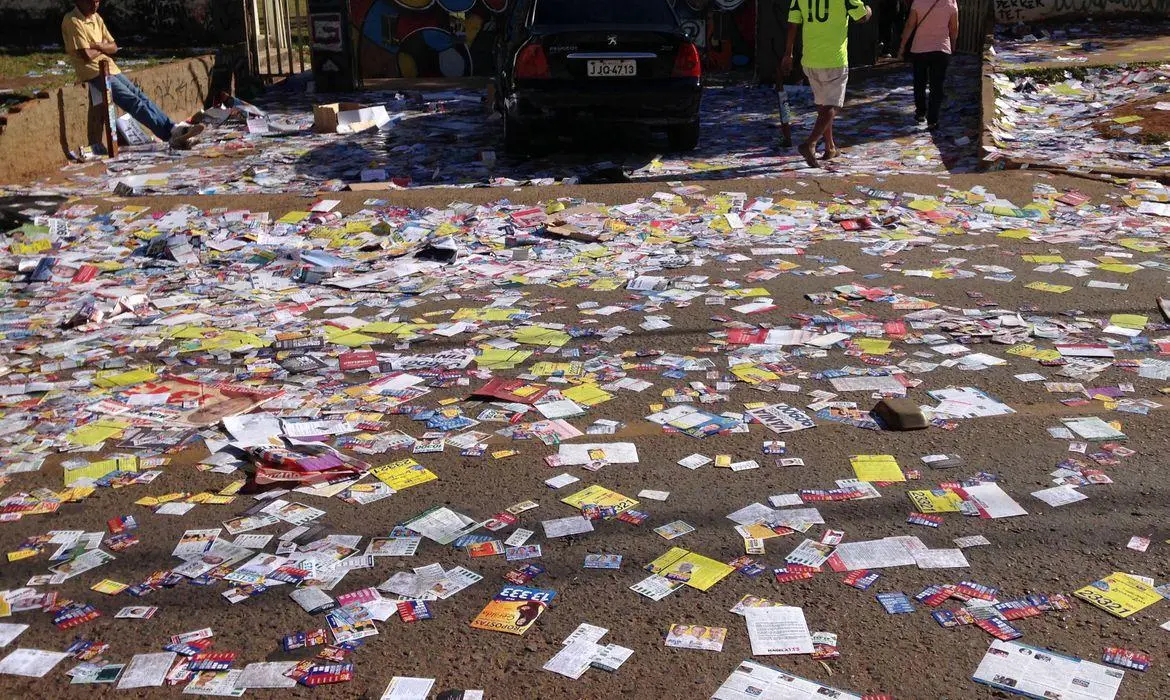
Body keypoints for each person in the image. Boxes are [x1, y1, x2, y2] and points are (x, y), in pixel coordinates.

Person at [61, 0, 204, 149]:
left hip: (111, 68)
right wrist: (104, 47)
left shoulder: (96, 18)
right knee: (133, 102)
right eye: (91, 2)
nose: (95, 5)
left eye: (97, 1)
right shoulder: (72, 20)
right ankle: (170, 136)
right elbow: (86, 55)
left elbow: (114, 47)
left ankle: (174, 129)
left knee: (141, 97)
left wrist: (97, 45)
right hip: (94, 72)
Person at [781, 0, 873, 168]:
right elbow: (860, 17)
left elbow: (792, 23)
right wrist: (868, 10)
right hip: (834, 60)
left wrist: (788, 54)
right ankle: (810, 143)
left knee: (823, 106)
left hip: (810, 58)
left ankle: (830, 147)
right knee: (833, 106)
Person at [898, 0, 958, 130]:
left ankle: (920, 112)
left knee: (919, 82)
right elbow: (953, 28)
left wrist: (902, 46)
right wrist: (953, 45)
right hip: (941, 49)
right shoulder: (951, 2)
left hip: (919, 49)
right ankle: (933, 120)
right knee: (937, 86)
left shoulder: (918, 2)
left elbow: (910, 25)